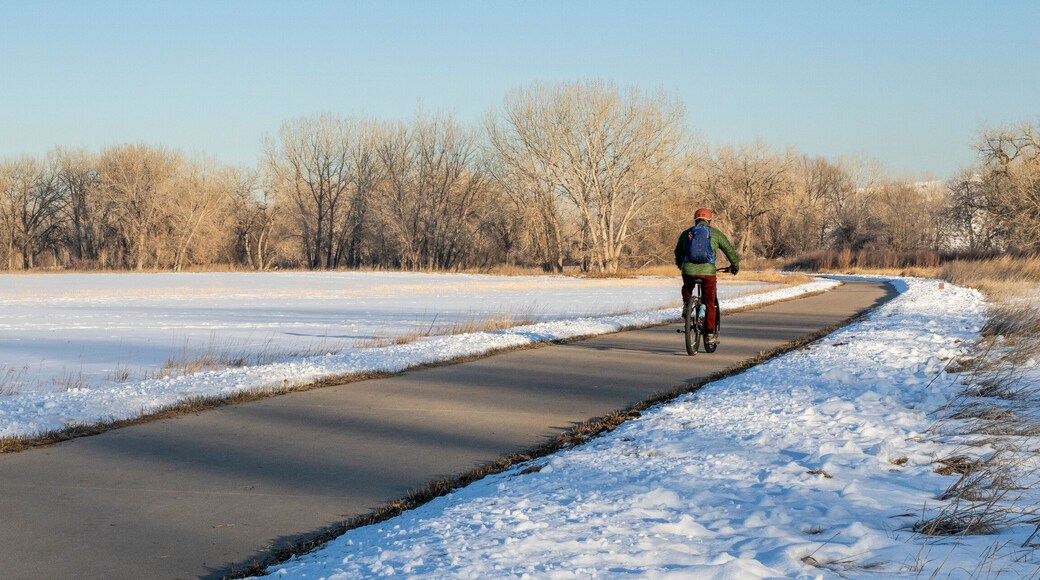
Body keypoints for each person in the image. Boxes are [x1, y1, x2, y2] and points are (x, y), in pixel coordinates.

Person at [673, 208, 740, 335]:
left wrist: (681, 265)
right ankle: (709, 334)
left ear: (695, 220)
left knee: (687, 286)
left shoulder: (686, 233)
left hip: (688, 271)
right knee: (709, 302)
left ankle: (687, 304)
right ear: (709, 221)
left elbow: (677, 252)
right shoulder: (715, 233)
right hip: (708, 273)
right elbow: (729, 250)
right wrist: (734, 265)